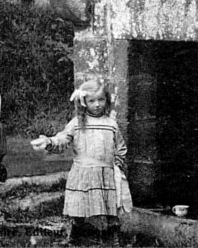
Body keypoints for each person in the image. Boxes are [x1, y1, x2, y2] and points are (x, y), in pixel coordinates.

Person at [31, 80, 132, 246]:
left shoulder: (111, 124)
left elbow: (121, 147)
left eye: (101, 100)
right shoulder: (77, 124)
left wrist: (117, 164)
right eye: (92, 101)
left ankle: (112, 235)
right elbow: (62, 139)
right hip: (83, 172)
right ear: (83, 103)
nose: (97, 104)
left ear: (107, 100)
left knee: (110, 205)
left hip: (105, 172)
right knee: (80, 205)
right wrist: (49, 141)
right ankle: (77, 234)